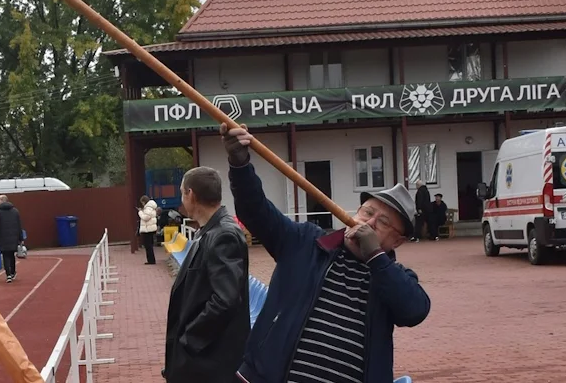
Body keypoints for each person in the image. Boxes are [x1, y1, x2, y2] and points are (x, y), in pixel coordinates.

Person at [221, 124, 430, 383]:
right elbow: (255, 210)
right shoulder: (306, 242)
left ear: (397, 241)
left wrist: (375, 256)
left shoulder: (394, 278)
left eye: (384, 222)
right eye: (367, 212)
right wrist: (240, 165)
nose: (370, 222)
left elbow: (415, 311)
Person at [162, 167, 249, 383]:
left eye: (182, 193)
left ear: (191, 194)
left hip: (210, 362)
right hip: (202, 359)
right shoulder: (209, 231)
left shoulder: (223, 235)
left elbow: (226, 299)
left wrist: (189, 339)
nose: (182, 199)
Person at [0, 195, 23, 283]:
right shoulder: (15, 211)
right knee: (11, 255)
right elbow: (19, 225)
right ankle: (12, 272)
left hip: (2, 237)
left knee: (5, 256)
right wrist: (21, 237)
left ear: (2, 201)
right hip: (13, 237)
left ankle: (8, 274)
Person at [138, 196, 159, 265]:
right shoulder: (150, 207)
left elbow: (146, 217)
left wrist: (140, 212)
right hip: (150, 228)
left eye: (142, 202)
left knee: (148, 245)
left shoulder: (148, 208)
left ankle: (151, 260)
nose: (142, 204)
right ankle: (151, 260)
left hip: (148, 229)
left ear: (144, 202)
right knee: (149, 245)